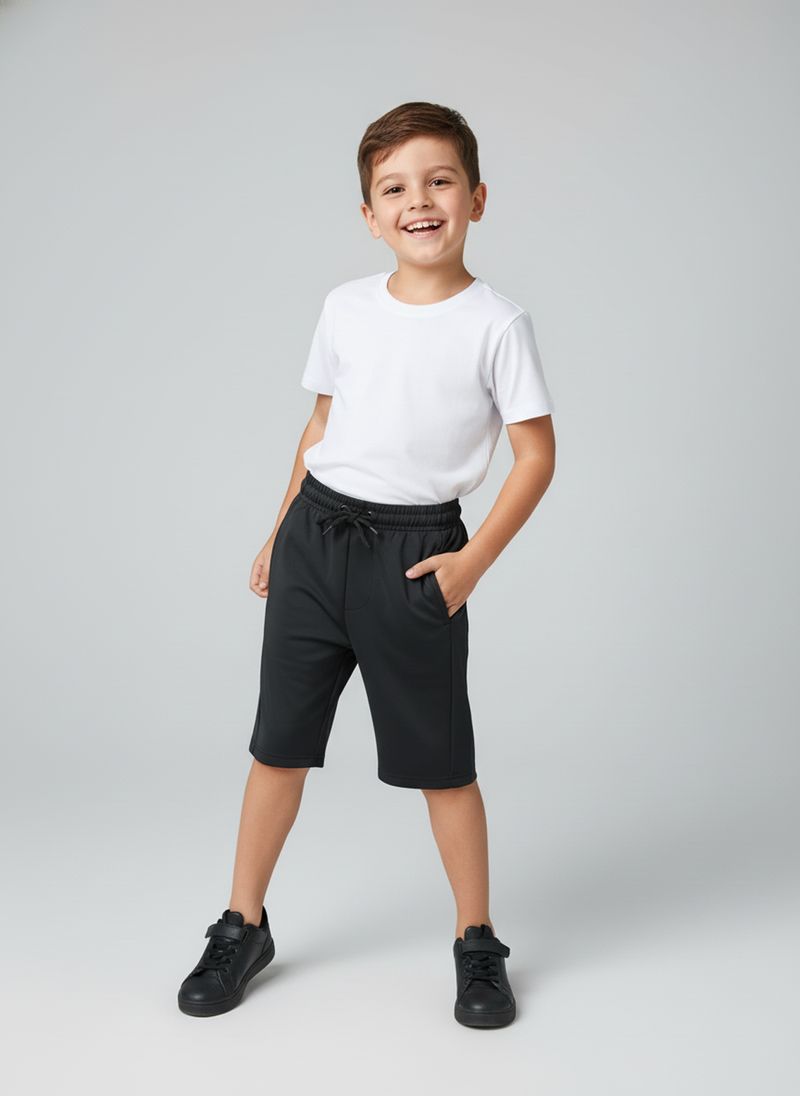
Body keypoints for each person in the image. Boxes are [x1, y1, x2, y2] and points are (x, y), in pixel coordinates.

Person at [177, 101, 556, 1028]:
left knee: (442, 764)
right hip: (316, 539)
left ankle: (477, 942)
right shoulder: (345, 307)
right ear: (370, 214)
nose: (418, 201)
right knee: (277, 744)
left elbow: (536, 455)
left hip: (418, 557)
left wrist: (471, 562)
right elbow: (320, 425)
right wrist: (278, 531)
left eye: (439, 182)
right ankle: (241, 925)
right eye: (395, 188)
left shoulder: (497, 324)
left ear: (476, 198)